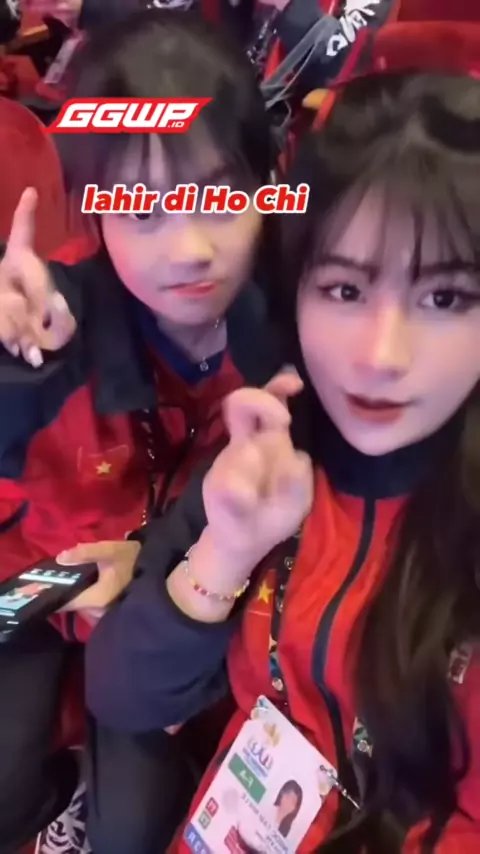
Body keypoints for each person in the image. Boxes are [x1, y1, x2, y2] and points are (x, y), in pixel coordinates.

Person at [84, 20, 480, 854]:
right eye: (344, 289)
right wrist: (225, 551)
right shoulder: (273, 450)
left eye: (444, 298)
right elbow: (121, 692)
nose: (381, 356)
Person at [0, 9, 281, 852]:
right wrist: (17, 366)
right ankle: (56, 787)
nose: (189, 247)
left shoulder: (297, 334)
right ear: (95, 217)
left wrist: (150, 561)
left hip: (168, 603)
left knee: (138, 831)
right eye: (144, 212)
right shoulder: (49, 323)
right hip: (41, 587)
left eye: (218, 197)